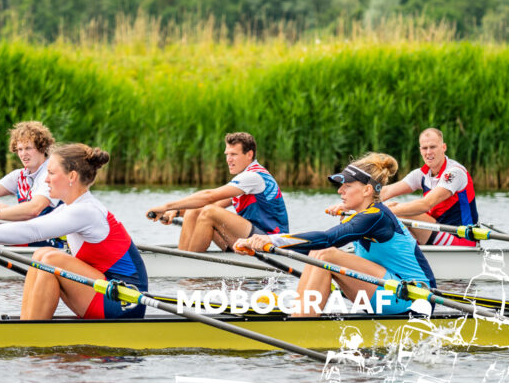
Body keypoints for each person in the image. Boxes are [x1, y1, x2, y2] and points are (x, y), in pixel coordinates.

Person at [0, 143, 148, 320]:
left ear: (72, 176)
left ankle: (31, 332)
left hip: (124, 300)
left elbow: (34, 230)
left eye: (51, 173)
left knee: (50, 259)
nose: (46, 180)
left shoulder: (86, 211)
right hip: (102, 291)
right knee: (42, 254)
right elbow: (33, 225)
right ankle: (28, 323)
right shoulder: (70, 207)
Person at [234, 153, 436, 317]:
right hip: (389, 291)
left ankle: (301, 324)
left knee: (326, 253)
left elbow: (328, 238)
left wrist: (271, 240)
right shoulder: (362, 215)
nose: (340, 191)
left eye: (347, 186)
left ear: (367, 190)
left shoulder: (375, 216)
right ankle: (299, 315)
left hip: (414, 298)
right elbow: (321, 241)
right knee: (317, 253)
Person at [146, 132, 289, 252]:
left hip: (269, 242)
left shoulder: (254, 176)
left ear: (249, 154)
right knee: (195, 210)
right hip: (250, 238)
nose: (228, 160)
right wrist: (176, 212)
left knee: (209, 212)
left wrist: (166, 206)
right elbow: (213, 204)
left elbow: (209, 197)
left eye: (234, 154)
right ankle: (183, 258)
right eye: (227, 154)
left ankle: (188, 265)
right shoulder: (243, 180)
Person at [380, 128, 479, 246]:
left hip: (462, 240)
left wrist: (384, 211)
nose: (428, 152)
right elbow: (386, 191)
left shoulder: (455, 172)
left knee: (401, 212)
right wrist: (361, 200)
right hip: (438, 232)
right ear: (420, 150)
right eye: (424, 148)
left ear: (443, 147)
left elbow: (426, 204)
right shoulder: (421, 174)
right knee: (392, 205)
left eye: (433, 147)